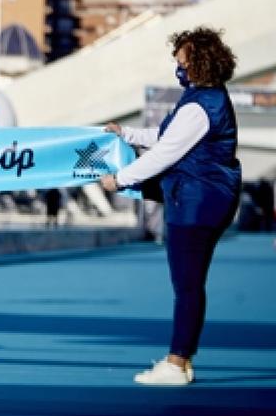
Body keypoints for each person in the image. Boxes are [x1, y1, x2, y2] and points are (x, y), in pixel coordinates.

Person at [101, 26, 241, 386]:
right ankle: (182, 359)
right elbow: (167, 136)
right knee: (190, 283)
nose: (177, 69)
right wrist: (126, 134)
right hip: (202, 197)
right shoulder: (205, 98)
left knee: (187, 285)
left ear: (199, 63)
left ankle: (176, 363)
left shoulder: (199, 106)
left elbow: (165, 153)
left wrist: (121, 179)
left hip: (196, 203)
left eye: (181, 62)